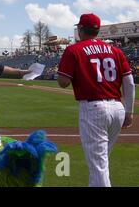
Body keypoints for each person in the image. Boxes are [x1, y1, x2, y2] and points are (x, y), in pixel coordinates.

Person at [57, 13, 135, 187]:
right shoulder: (116, 51)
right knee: (100, 161)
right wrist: (129, 111)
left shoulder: (74, 50)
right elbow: (129, 82)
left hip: (94, 109)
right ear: (98, 30)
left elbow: (63, 82)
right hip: (118, 108)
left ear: (80, 29)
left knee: (98, 166)